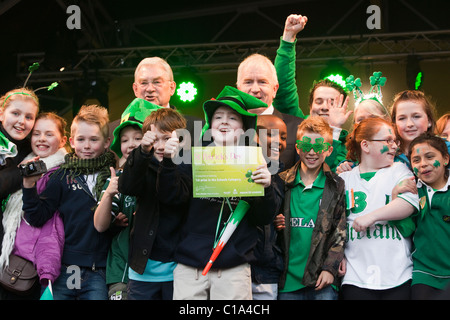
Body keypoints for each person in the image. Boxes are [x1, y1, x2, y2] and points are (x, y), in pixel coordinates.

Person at [158, 86, 281, 300]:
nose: (224, 122)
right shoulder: (191, 157)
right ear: (210, 125)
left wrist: (267, 187)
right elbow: (171, 199)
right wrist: (168, 163)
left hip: (233, 267)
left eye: (232, 118)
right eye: (218, 117)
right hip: (190, 266)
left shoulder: (256, 161)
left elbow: (263, 217)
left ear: (244, 128)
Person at [22, 104, 116, 300]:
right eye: (81, 139)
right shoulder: (61, 176)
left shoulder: (114, 175)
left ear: (107, 142)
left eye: (94, 140)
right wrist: (29, 187)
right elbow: (37, 217)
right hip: (64, 268)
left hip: (99, 269)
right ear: (72, 141)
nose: (87, 146)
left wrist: (119, 219)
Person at [339, 117, 419, 300]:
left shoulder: (400, 170)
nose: (394, 146)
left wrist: (371, 217)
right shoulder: (345, 179)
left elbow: (407, 204)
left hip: (399, 275)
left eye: (395, 141)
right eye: (387, 140)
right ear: (365, 145)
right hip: (355, 277)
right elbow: (333, 222)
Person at [117, 107, 188, 300]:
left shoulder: (187, 168)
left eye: (166, 138)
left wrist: (168, 162)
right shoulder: (142, 163)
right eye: (154, 139)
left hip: (177, 268)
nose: (160, 145)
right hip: (143, 268)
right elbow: (126, 187)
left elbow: (172, 196)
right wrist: (142, 152)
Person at [94, 98, 161, 300]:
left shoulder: (165, 177)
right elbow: (99, 225)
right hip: (122, 271)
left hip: (160, 271)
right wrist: (109, 194)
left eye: (138, 137)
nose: (131, 144)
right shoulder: (117, 178)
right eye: (124, 140)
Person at [276, 116, 346, 300]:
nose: (312, 152)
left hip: (321, 280)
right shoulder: (282, 181)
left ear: (329, 150)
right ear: (298, 147)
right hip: (286, 281)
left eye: (319, 147)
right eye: (306, 146)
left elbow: (340, 231)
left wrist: (330, 268)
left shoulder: (336, 185)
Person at [0, 112, 66, 300]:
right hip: (12, 254)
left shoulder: (61, 172)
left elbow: (37, 218)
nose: (41, 139)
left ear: (63, 140)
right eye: (36, 134)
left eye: (49, 134)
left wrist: (29, 186)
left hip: (34, 263)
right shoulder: (23, 163)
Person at [110, 57, 203, 145]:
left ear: (172, 88)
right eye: (144, 83)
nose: (150, 89)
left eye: (157, 82)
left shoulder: (197, 128)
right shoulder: (113, 130)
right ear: (135, 89)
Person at [407, 133, 450, 299]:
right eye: (416, 160)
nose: (423, 164)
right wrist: (397, 192)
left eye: (430, 157)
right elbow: (404, 229)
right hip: (424, 275)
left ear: (445, 159)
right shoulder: (412, 191)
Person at [250, 114, 286, 300]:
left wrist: (281, 219)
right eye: (272, 134)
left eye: (284, 137)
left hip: (269, 267)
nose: (279, 141)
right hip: (240, 265)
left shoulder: (283, 176)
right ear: (255, 136)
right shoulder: (239, 167)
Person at [0, 88, 39, 249]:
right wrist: (21, 171)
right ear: (1, 113)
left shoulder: (31, 149)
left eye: (29, 117)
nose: (22, 121)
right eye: (15, 113)